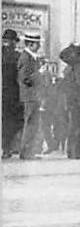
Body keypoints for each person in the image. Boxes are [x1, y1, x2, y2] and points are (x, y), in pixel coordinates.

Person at [17, 32, 44, 159]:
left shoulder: (31, 57)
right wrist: (39, 73)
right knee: (30, 124)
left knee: (33, 124)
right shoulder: (25, 58)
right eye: (37, 44)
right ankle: (26, 152)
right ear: (30, 44)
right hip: (29, 97)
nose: (38, 46)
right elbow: (24, 79)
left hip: (32, 97)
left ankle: (29, 152)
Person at [2, 29, 22, 158]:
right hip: (13, 94)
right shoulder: (17, 56)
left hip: (5, 92)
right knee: (12, 122)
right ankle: (8, 148)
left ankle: (7, 147)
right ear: (13, 42)